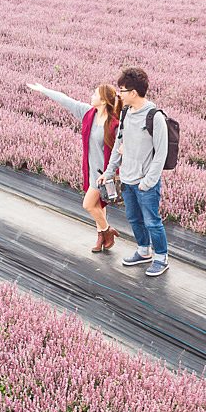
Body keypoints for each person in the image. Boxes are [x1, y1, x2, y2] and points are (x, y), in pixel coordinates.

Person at [27, 81, 122, 252]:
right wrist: (44, 90)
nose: (91, 96)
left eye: (95, 94)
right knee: (98, 206)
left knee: (88, 205)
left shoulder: (115, 124)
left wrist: (112, 172)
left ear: (103, 101)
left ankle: (108, 231)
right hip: (91, 169)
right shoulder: (88, 113)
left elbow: (121, 150)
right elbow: (66, 100)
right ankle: (101, 237)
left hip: (104, 174)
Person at [100, 67, 170, 277]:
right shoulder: (126, 113)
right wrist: (109, 171)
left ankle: (161, 257)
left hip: (144, 182)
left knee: (152, 221)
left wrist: (148, 182)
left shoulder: (154, 117)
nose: (118, 94)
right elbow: (118, 144)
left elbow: (161, 154)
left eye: (122, 90)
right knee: (133, 218)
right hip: (127, 179)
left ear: (133, 92)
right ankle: (143, 251)